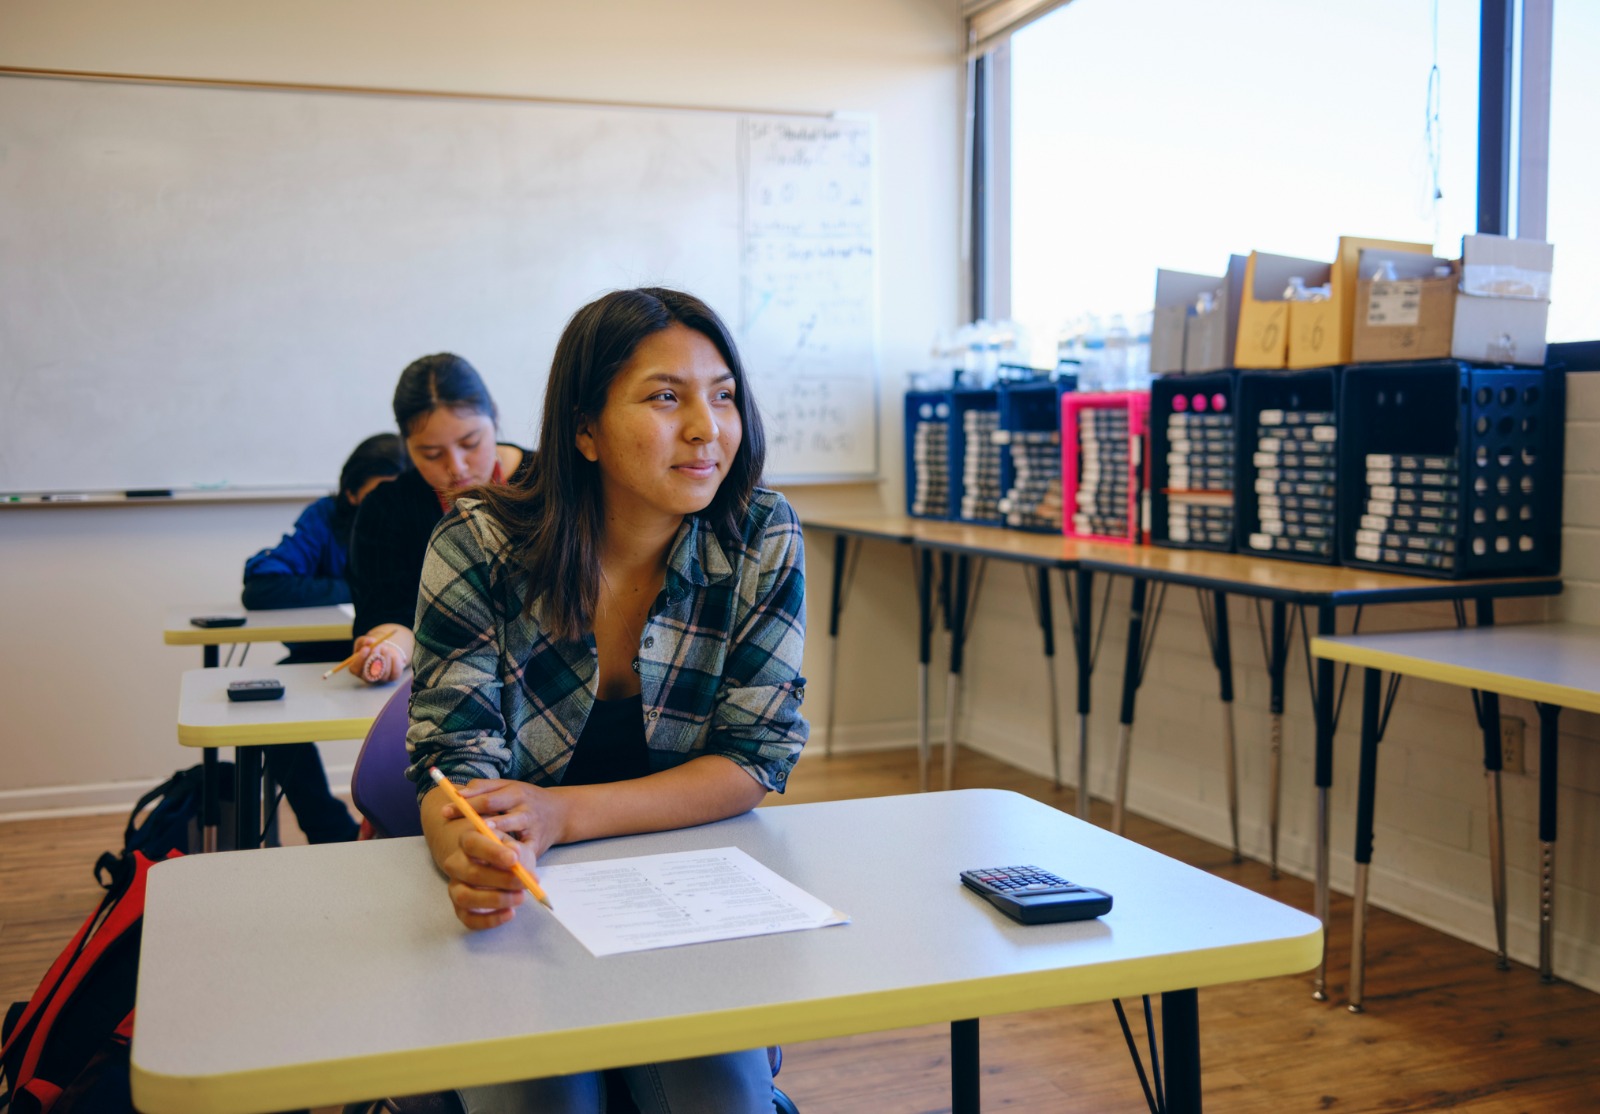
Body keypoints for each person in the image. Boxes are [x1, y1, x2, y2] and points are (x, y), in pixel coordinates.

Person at [407, 288, 807, 1113]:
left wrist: (562, 814)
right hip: (529, 908)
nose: (707, 427)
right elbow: (456, 771)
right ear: (583, 429)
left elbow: (754, 759)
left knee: (720, 1102)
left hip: (682, 893)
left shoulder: (759, 535)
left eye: (723, 395)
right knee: (546, 1100)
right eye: (667, 396)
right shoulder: (477, 546)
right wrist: (473, 859)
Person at [238, 432, 406, 845]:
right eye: (376, 495)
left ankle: (398, 827)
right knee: (270, 708)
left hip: (404, 651)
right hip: (327, 655)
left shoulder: (412, 517)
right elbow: (262, 583)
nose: (386, 506)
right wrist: (361, 587)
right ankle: (327, 829)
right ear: (351, 492)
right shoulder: (325, 518)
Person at [346, 354, 531, 685]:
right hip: (446, 686)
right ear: (407, 446)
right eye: (431, 454)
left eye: (470, 443)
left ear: (495, 418)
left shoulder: (551, 484)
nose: (456, 466)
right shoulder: (386, 509)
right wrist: (386, 649)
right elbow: (393, 613)